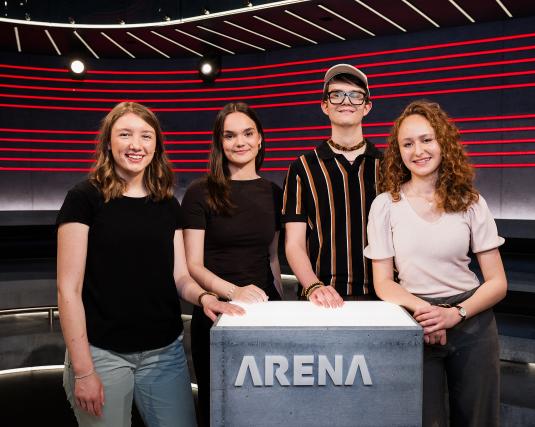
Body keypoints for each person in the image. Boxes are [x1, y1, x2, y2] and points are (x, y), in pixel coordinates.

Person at [56, 101, 244, 427]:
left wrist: (204, 297)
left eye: (146, 136)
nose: (136, 144)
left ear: (156, 145)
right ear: (108, 143)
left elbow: (180, 276)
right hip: (103, 353)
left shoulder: (167, 203)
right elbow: (68, 289)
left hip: (164, 354)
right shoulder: (83, 198)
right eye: (125, 134)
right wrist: (84, 371)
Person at [364, 100, 507, 427]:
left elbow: (498, 282)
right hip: (416, 321)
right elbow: (383, 283)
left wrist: (454, 314)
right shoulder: (385, 205)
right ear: (398, 151)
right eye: (407, 143)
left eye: (426, 139)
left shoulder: (472, 202)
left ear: (443, 142)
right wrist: (428, 314)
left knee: (478, 420)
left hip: (472, 322)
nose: (418, 151)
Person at [182, 102, 283, 425]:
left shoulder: (274, 193)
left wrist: (281, 306)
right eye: (230, 135)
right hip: (216, 314)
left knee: (266, 410)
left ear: (260, 139)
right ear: (220, 143)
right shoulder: (200, 192)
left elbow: (272, 257)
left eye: (247, 133)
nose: (240, 142)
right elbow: (193, 264)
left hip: (264, 314)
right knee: (219, 412)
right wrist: (233, 292)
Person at [282, 64, 382, 307]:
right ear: (325, 105)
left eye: (355, 95)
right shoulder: (302, 167)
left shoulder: (390, 166)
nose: (346, 101)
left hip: (382, 295)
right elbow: (294, 243)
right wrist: (313, 286)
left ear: (367, 106)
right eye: (336, 94)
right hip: (320, 297)